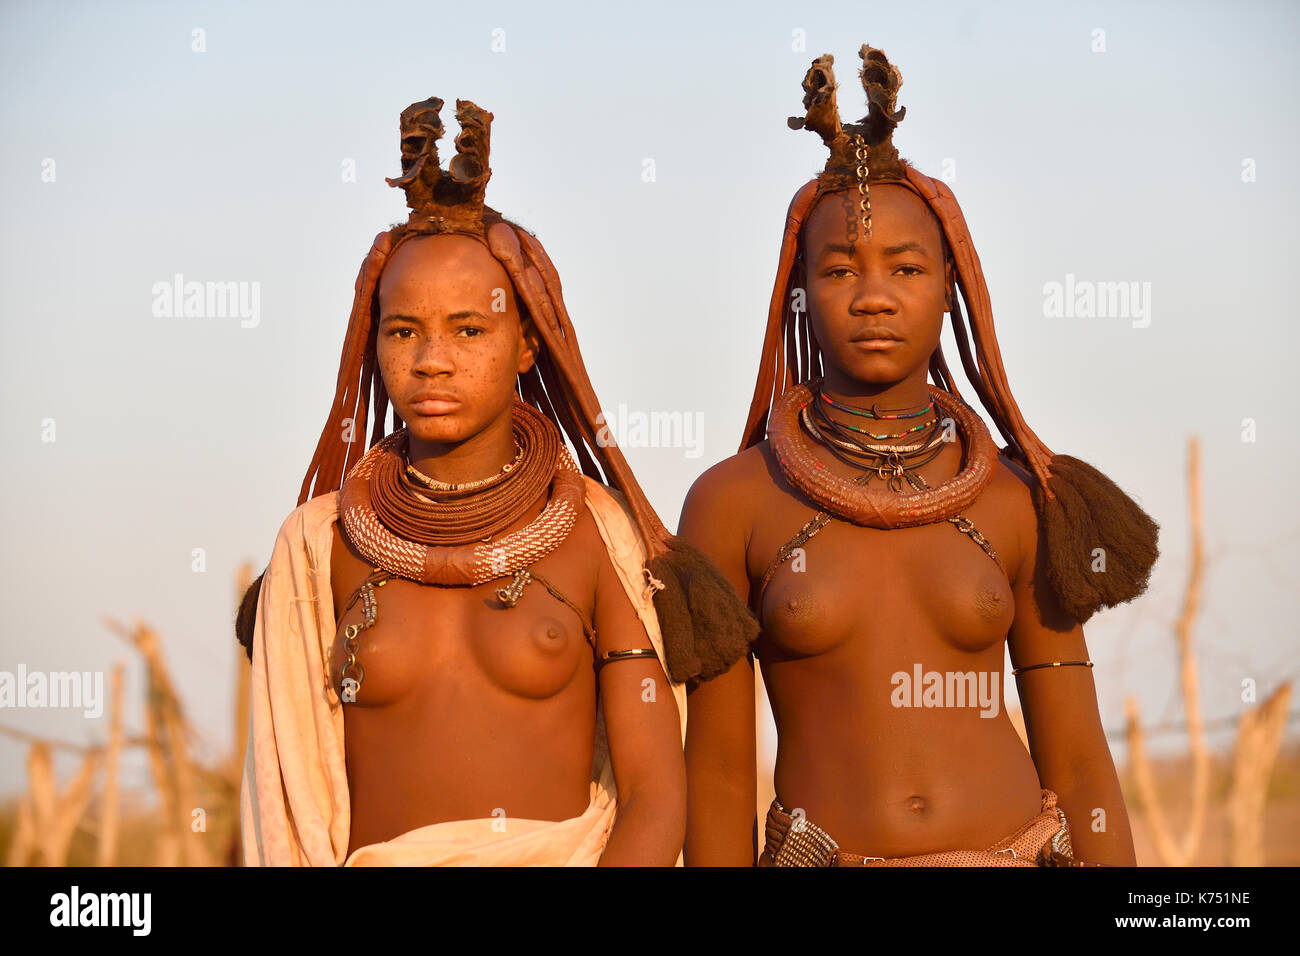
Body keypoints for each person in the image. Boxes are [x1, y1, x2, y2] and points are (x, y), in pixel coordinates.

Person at [236, 96, 755, 866]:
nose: (432, 360)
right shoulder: (320, 544)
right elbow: (289, 800)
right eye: (403, 330)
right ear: (373, 342)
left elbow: (655, 797)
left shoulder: (593, 534)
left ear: (526, 345)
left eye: (469, 329)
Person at [679, 46, 1159, 867]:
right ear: (800, 291)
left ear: (949, 288)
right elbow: (720, 772)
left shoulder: (1016, 495)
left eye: (906, 268)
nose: (873, 295)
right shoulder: (735, 501)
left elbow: (1077, 756)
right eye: (839, 270)